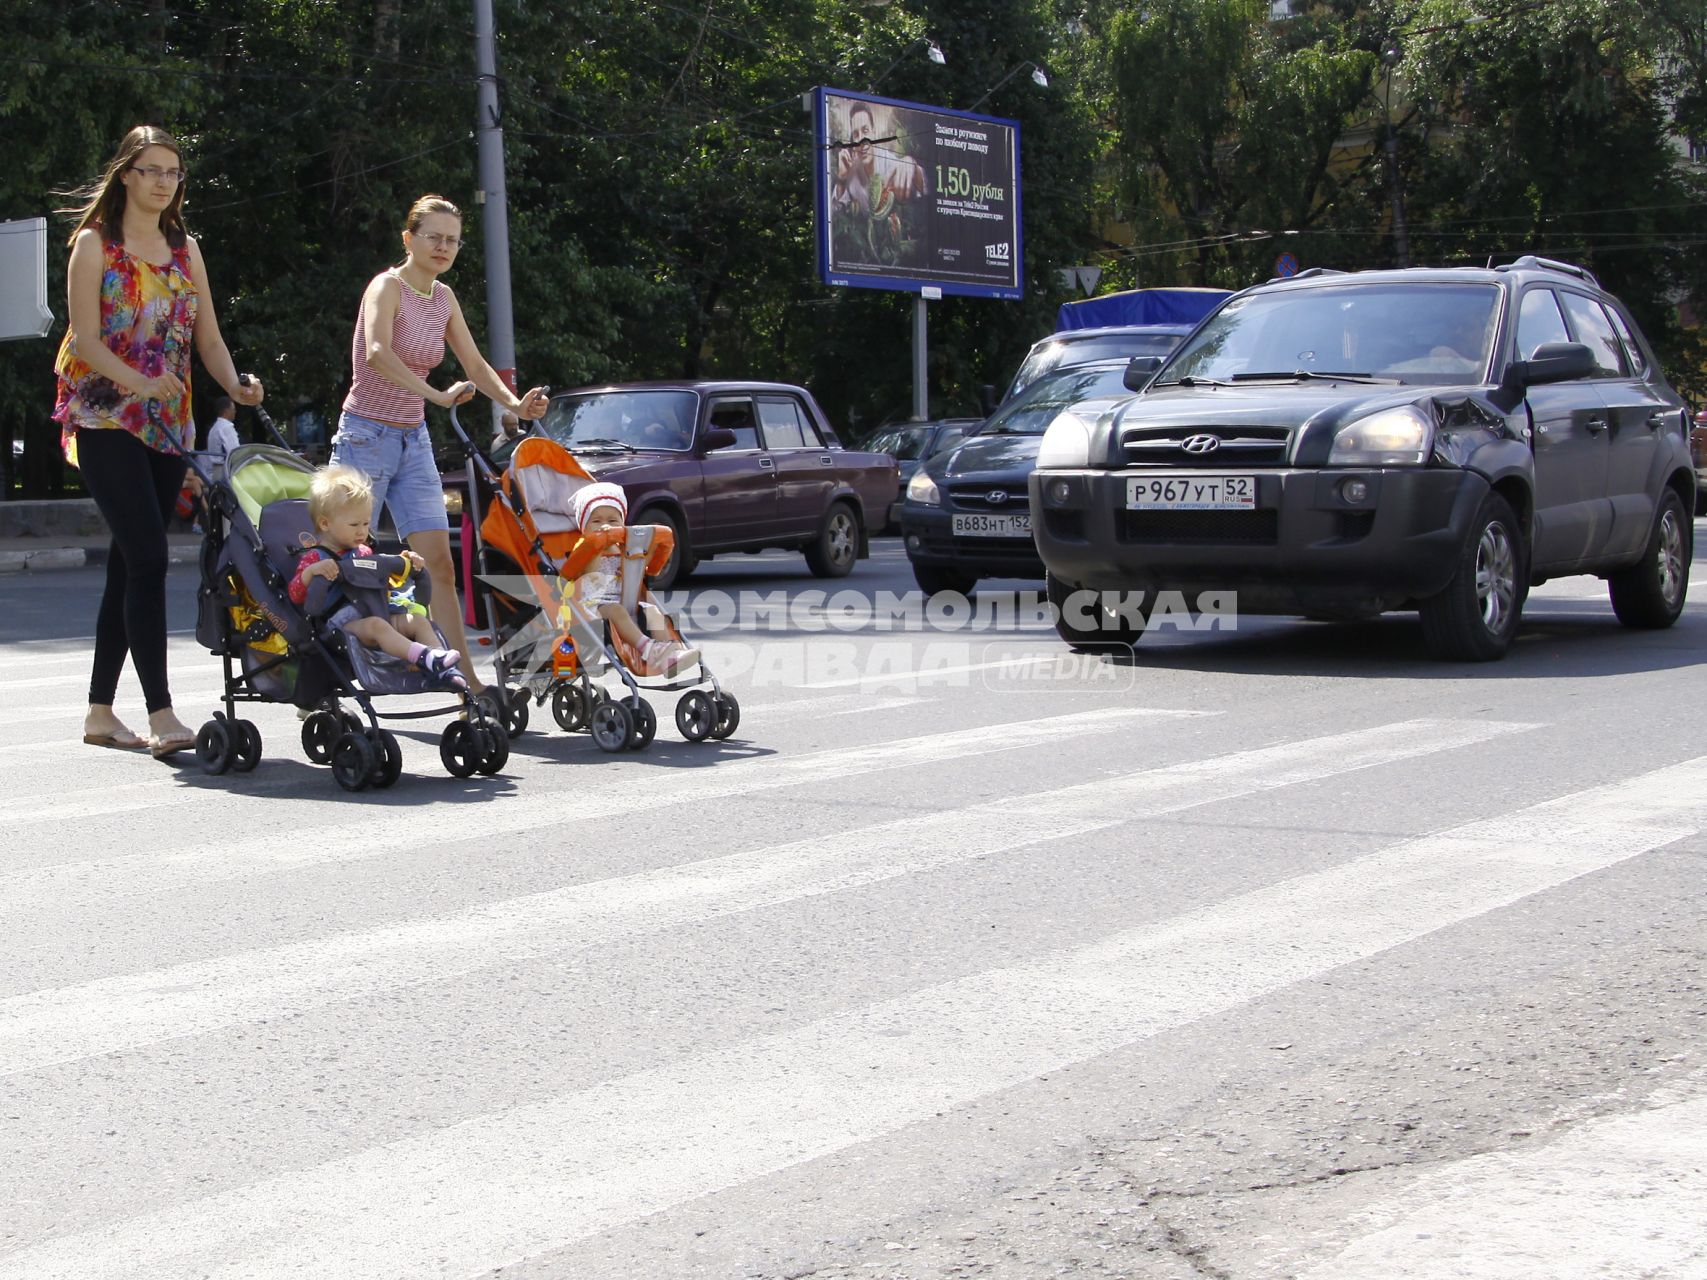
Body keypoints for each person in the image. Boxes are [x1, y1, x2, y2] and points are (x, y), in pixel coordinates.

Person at [53, 124, 264, 757]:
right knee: (146, 558)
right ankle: (162, 713)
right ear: (125, 174)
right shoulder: (95, 246)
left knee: (127, 564)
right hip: (103, 416)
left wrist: (235, 383)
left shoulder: (184, 248)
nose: (163, 182)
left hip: (168, 423)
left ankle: (98, 712)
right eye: (150, 170)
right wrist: (139, 380)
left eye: (172, 172)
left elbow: (209, 338)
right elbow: (85, 339)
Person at [331, 193, 547, 694]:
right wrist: (435, 395)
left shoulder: (444, 297)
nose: (444, 247)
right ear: (409, 239)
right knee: (349, 565)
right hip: (365, 435)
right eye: (434, 237)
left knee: (441, 566)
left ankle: (463, 680)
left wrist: (515, 405)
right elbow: (378, 352)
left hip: (413, 440)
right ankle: (331, 680)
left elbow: (474, 365)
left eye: (452, 240)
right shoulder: (387, 286)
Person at [287, 466, 462, 680]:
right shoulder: (316, 557)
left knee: (417, 620)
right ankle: (422, 656)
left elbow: (383, 584)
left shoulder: (363, 552)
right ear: (325, 523)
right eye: (354, 524)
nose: (362, 531)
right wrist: (311, 573)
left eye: (366, 523)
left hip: (375, 610)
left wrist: (407, 562)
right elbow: (295, 594)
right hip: (342, 625)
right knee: (378, 625)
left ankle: (440, 662)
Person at [564, 483, 698, 676]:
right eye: (596, 521)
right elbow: (589, 574)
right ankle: (650, 650)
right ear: (584, 527)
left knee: (652, 610)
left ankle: (672, 653)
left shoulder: (624, 548)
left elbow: (636, 575)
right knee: (617, 611)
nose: (605, 525)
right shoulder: (585, 548)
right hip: (591, 606)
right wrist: (598, 546)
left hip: (623, 601)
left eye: (612, 520)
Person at [204, 394, 239, 470]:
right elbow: (235, 452)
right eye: (233, 409)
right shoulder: (226, 427)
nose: (235, 412)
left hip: (215, 470)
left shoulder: (214, 428)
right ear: (226, 411)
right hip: (226, 471)